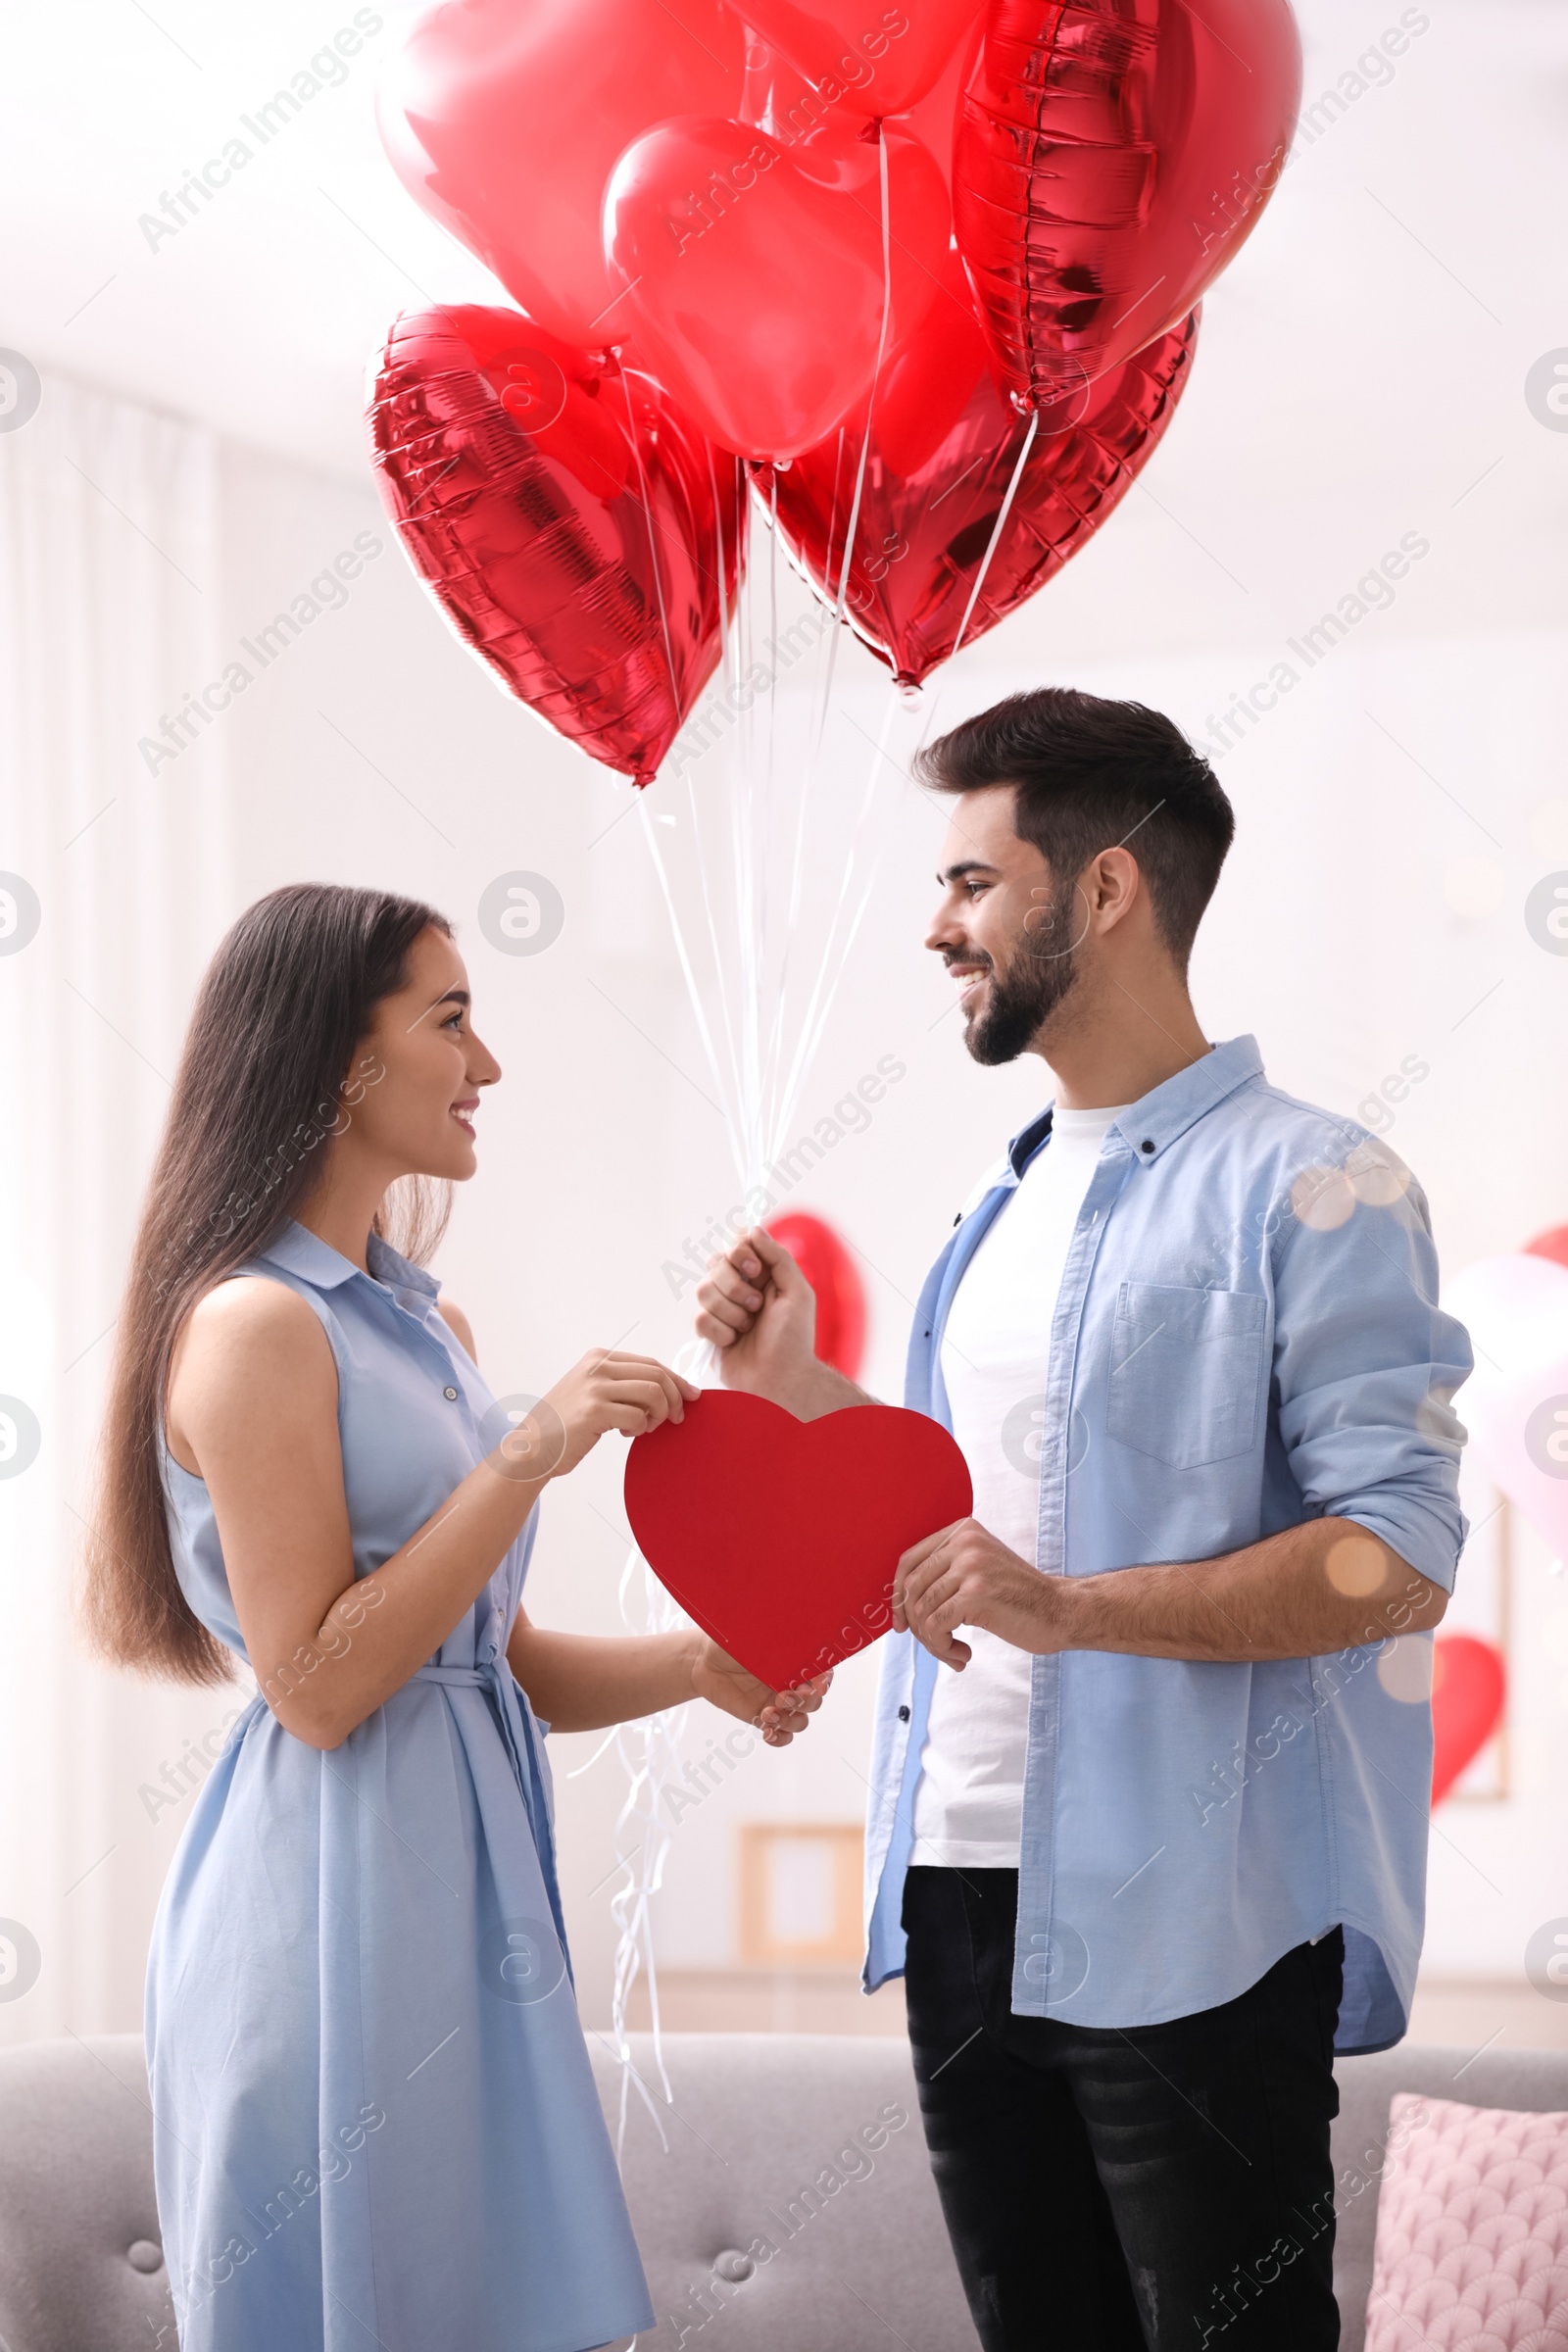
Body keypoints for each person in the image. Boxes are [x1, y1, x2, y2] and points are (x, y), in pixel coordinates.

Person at [696, 688, 1471, 2351]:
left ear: (1104, 891)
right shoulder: (1005, 1194)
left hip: (1202, 1912)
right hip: (961, 1888)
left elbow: (1399, 1555)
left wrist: (1079, 1611)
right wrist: (797, 1387)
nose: (936, 927)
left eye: (972, 883)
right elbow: (970, 1518)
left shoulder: (1324, 1184)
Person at [82, 883, 827, 2352]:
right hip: (329, 1906)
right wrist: (531, 1447)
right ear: (338, 1060)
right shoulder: (250, 1326)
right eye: (452, 1021)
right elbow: (313, 1683)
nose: (487, 1067)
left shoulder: (425, 1327)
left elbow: (490, 1659)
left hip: (469, 1901)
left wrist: (698, 1667)